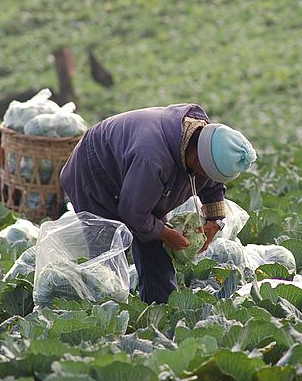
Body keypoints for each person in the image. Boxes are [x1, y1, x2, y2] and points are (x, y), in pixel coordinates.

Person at [60, 103, 257, 304]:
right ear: (198, 160)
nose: (207, 178)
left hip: (138, 175)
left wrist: (216, 221)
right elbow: (134, 213)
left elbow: (213, 185)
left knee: (156, 252)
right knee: (108, 256)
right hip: (95, 172)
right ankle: (104, 314)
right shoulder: (152, 158)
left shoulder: (207, 145)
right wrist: (166, 234)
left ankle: (158, 310)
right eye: (207, 173)